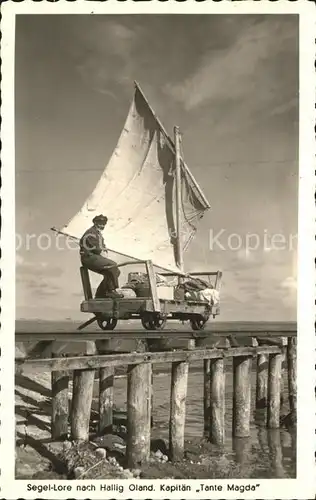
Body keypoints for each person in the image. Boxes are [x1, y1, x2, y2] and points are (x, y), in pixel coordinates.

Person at [79, 214, 123, 298]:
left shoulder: (98, 233)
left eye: (104, 223)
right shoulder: (91, 233)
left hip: (95, 257)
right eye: (100, 223)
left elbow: (101, 246)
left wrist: (104, 247)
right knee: (113, 266)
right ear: (95, 222)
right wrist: (103, 250)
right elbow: (97, 249)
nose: (102, 225)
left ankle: (100, 294)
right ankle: (111, 291)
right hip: (89, 258)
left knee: (115, 271)